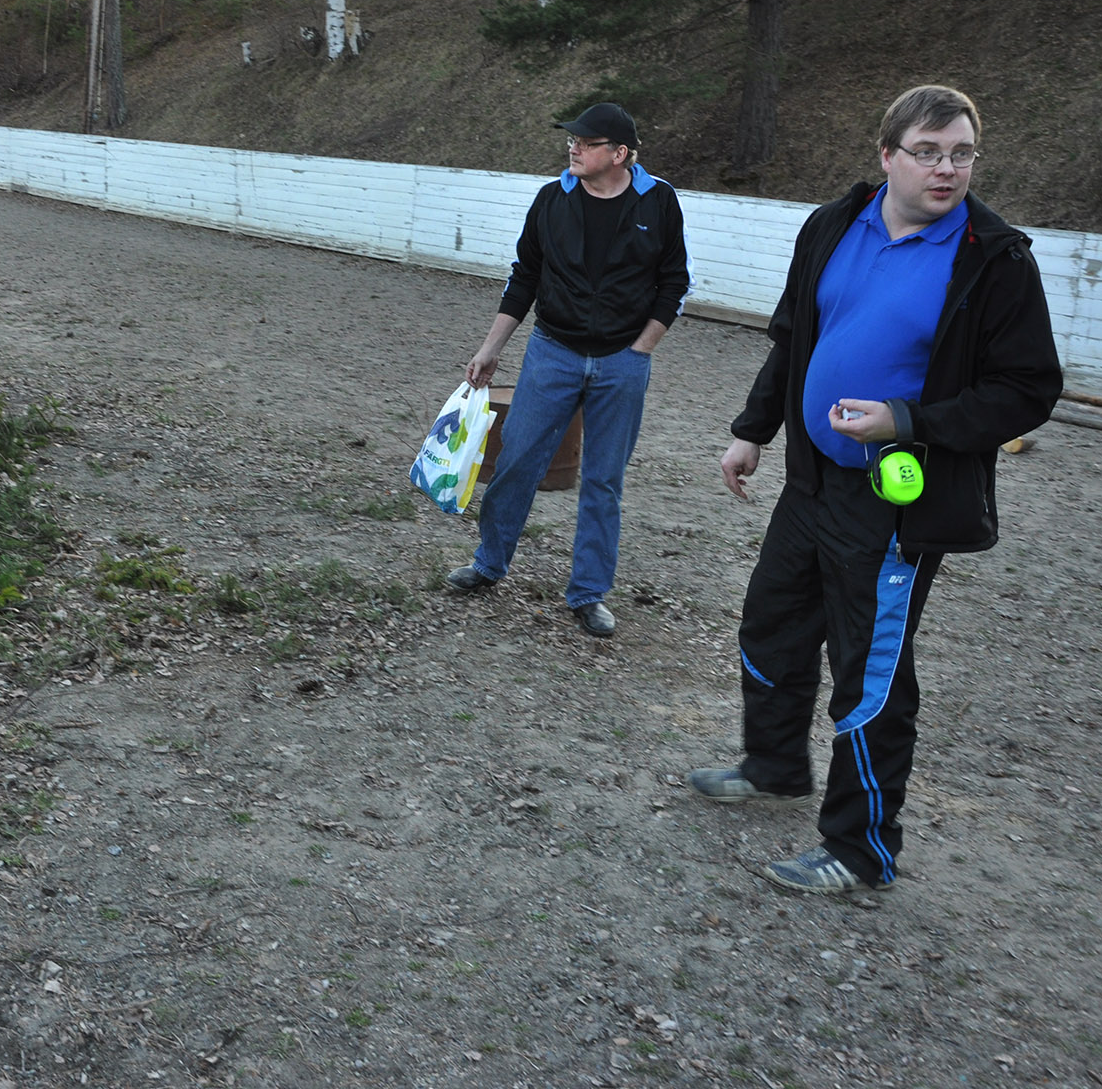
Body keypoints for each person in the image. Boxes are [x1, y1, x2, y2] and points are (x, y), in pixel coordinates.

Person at [689, 85, 1062, 894]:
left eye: (961, 153)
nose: (947, 169)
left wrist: (906, 420)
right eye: (927, 152)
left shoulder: (994, 259)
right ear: (887, 155)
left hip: (895, 502)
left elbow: (1028, 390)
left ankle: (860, 850)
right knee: (772, 625)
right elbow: (793, 336)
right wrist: (754, 430)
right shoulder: (834, 224)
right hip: (810, 481)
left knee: (871, 671)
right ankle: (774, 766)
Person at [444, 102, 690, 639]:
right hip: (552, 352)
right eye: (571, 140)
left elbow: (675, 281)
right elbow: (524, 277)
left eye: (585, 141)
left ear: (619, 154)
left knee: (603, 479)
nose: (573, 148)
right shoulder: (552, 199)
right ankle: (489, 562)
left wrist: (641, 349)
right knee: (516, 460)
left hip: (623, 362)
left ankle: (588, 593)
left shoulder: (659, 201)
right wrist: (491, 348)